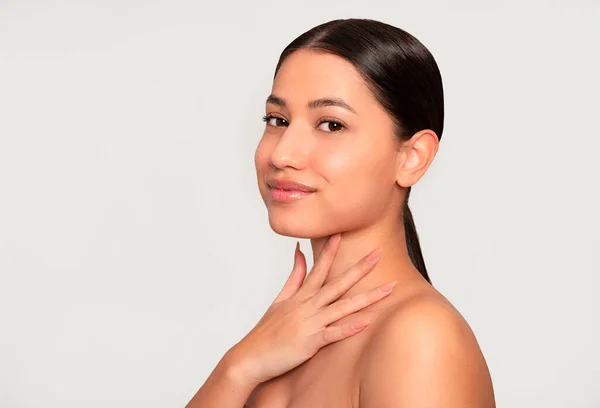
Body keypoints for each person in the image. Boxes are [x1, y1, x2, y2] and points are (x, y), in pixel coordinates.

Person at [187, 18, 495, 408]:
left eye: (331, 125)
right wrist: (238, 367)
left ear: (412, 157)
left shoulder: (420, 339)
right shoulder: (280, 339)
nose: (282, 154)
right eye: (277, 120)